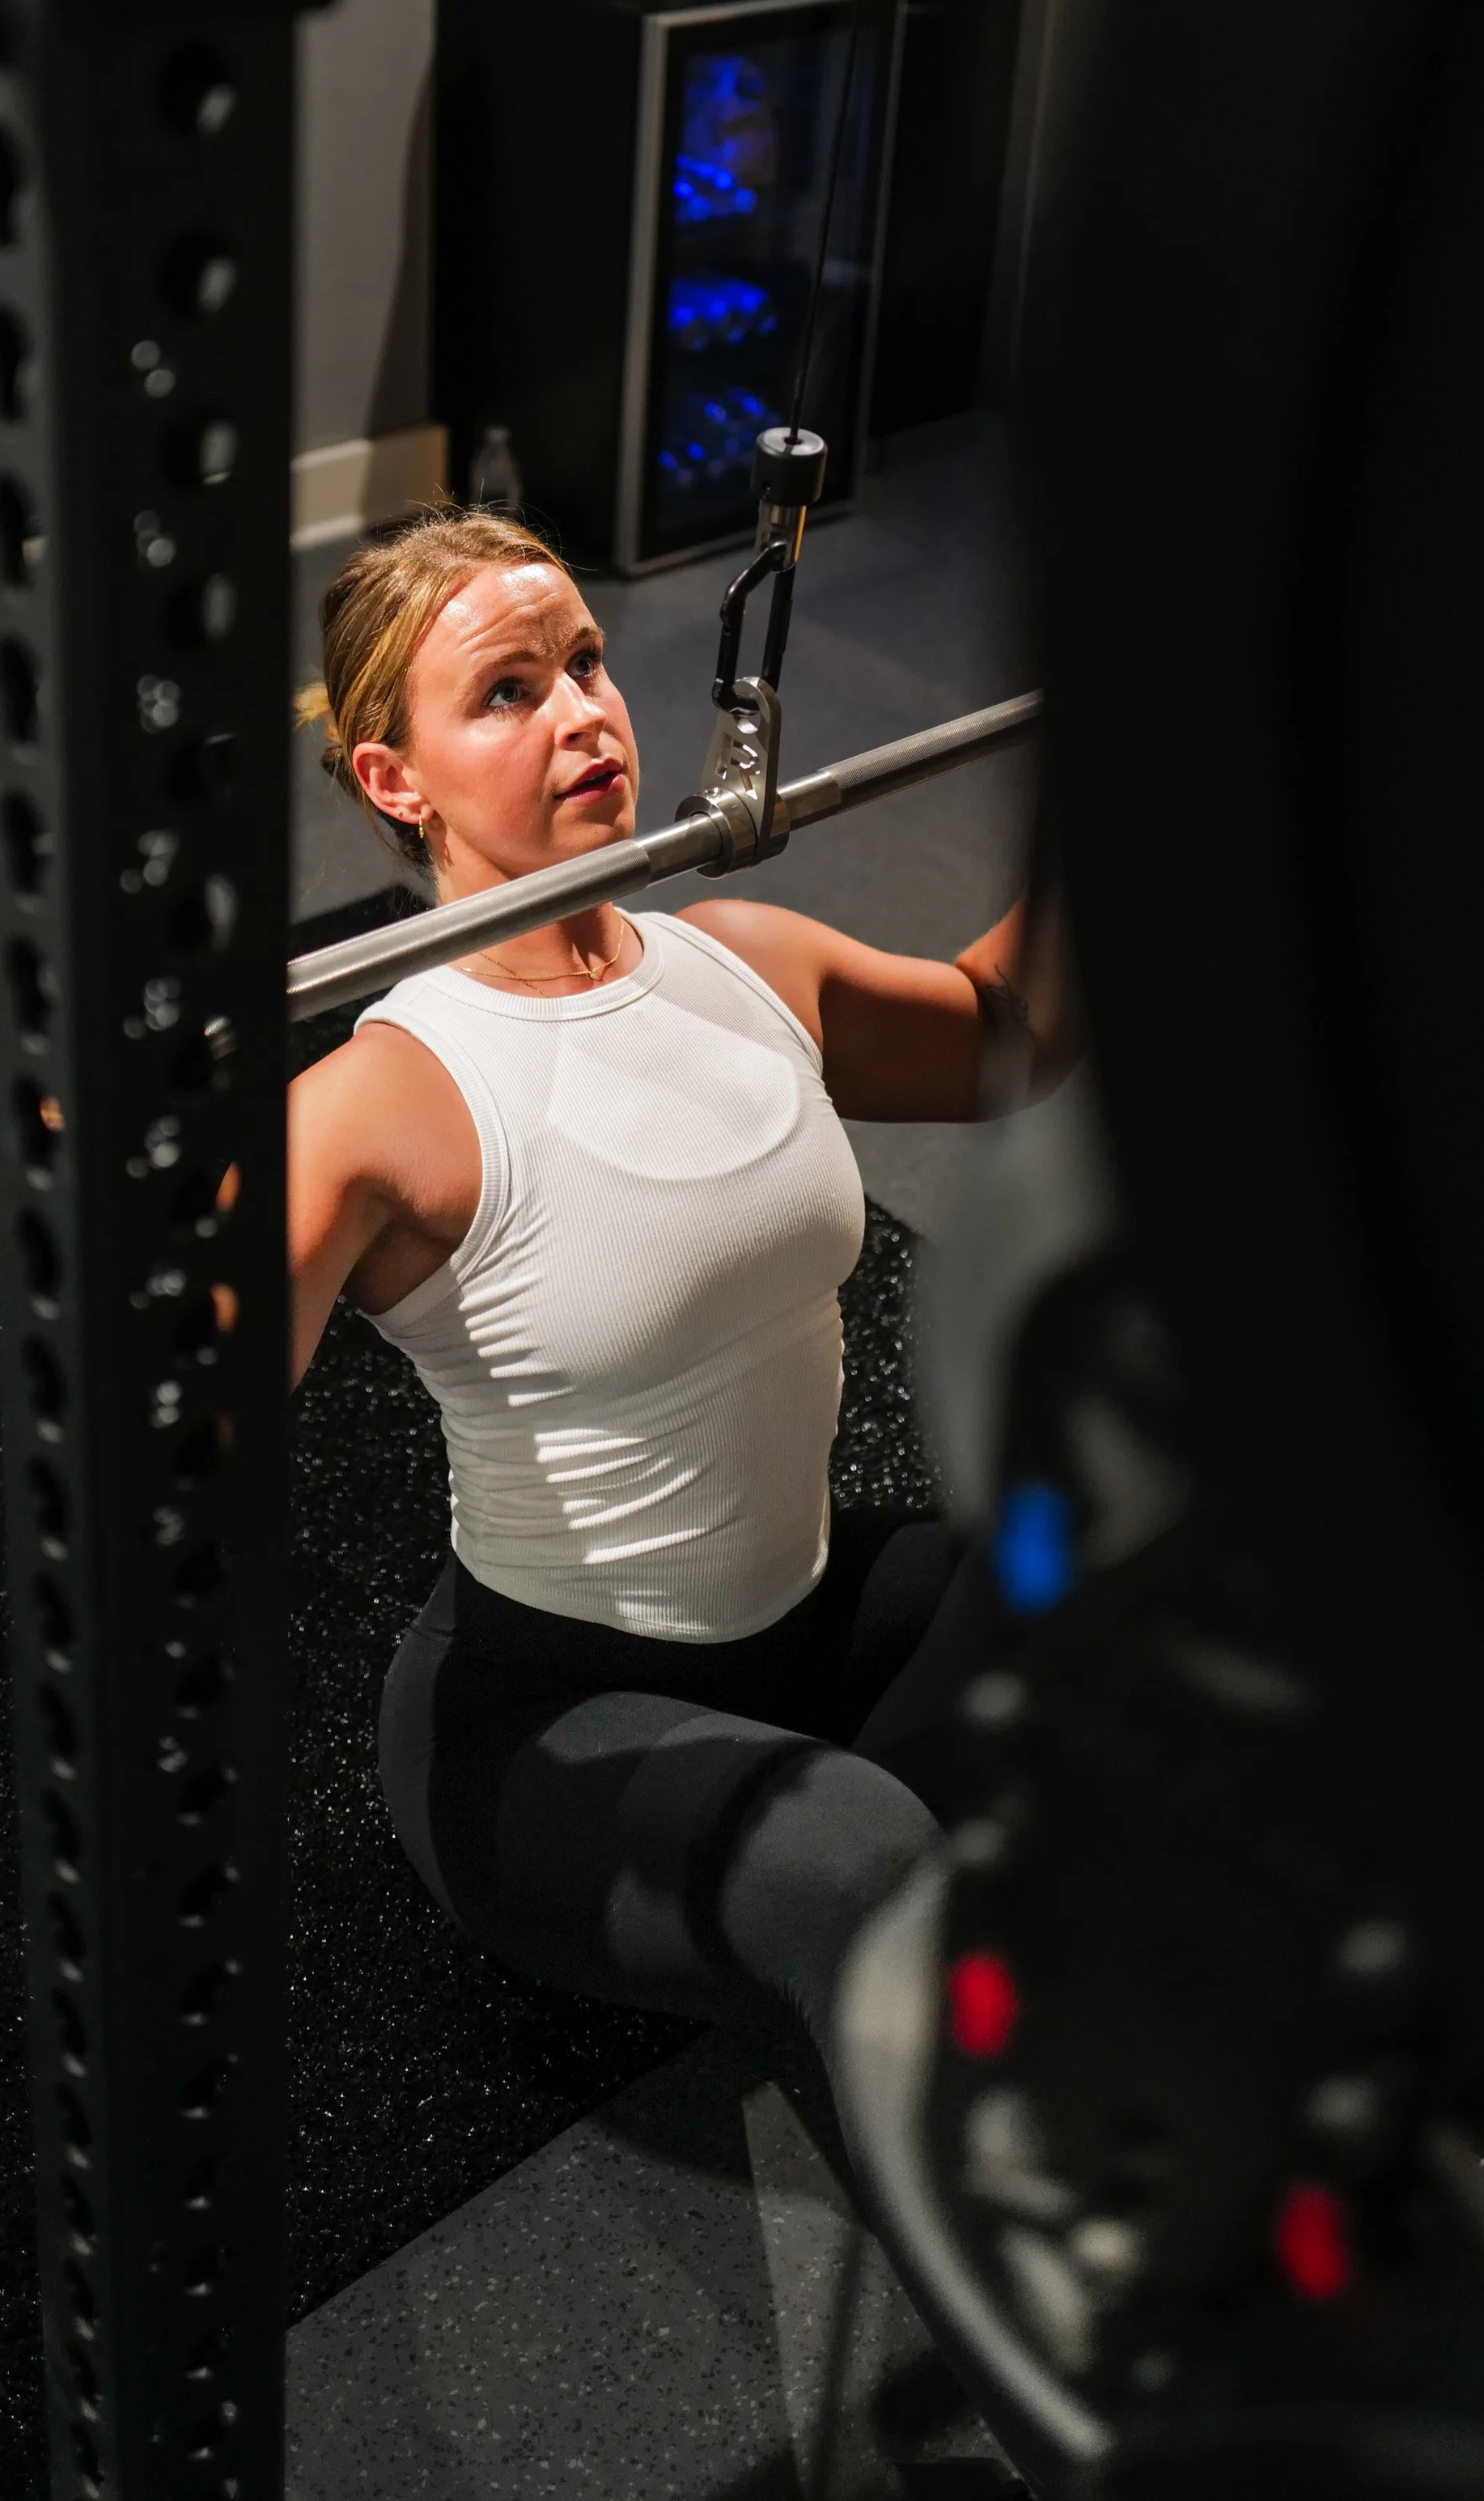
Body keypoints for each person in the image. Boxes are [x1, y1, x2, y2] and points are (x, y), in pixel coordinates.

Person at [287, 506, 1047, 2063]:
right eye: (507, 691)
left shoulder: (740, 958)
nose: (581, 711)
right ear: (394, 776)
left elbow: (997, 1033)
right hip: (547, 1724)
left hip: (811, 1625)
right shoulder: (384, 1098)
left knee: (1149, 1560)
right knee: (869, 1876)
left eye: (585, 661)